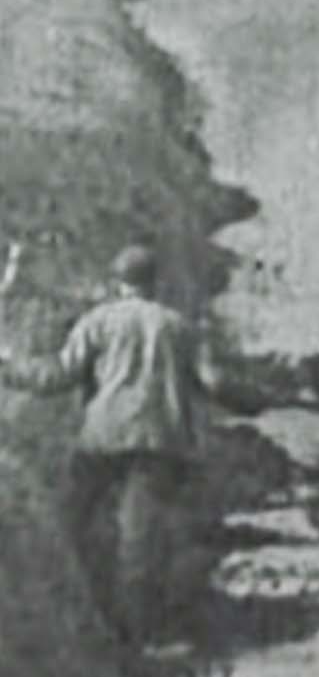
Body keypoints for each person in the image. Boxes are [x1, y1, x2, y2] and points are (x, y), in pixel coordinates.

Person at [0, 244, 264, 648]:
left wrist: (10, 369)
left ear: (116, 282)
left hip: (101, 440)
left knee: (70, 520)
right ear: (156, 283)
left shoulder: (97, 321)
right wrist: (255, 400)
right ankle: (140, 638)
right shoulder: (180, 326)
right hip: (158, 445)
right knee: (139, 542)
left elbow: (56, 376)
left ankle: (79, 612)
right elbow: (215, 383)